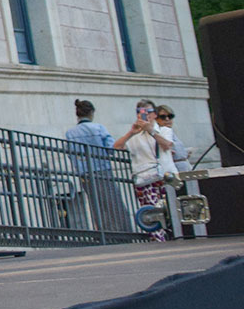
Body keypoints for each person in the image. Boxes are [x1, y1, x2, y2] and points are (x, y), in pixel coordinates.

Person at [64, 99, 128, 233]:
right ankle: (122, 231)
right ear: (92, 113)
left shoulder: (70, 133)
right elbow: (111, 148)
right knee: (114, 203)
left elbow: (71, 153)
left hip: (85, 174)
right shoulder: (98, 128)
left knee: (96, 204)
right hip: (102, 170)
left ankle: (105, 233)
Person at [116, 100, 174, 242]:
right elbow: (117, 147)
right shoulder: (135, 136)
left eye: (147, 113)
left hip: (166, 177)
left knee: (172, 212)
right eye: (140, 113)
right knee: (153, 215)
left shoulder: (164, 130)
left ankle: (176, 237)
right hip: (145, 179)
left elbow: (166, 145)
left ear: (154, 114)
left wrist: (151, 130)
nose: (144, 116)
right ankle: (160, 243)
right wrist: (131, 132)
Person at [153, 105, 191, 175]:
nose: (167, 119)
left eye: (170, 116)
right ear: (156, 119)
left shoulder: (171, 131)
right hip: (173, 169)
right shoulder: (158, 133)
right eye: (163, 117)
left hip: (184, 167)